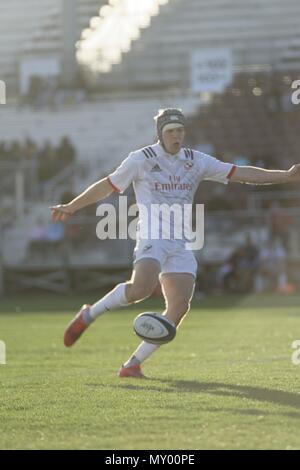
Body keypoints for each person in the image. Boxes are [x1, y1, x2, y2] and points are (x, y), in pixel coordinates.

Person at [50, 108, 300, 378]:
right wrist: (72, 207)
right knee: (141, 289)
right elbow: (107, 185)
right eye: (171, 131)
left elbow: (240, 173)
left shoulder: (196, 160)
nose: (176, 136)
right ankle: (90, 314)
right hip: (152, 236)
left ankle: (132, 364)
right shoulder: (141, 159)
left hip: (180, 242)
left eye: (180, 130)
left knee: (179, 306)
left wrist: (285, 176)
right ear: (160, 134)